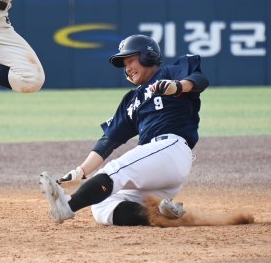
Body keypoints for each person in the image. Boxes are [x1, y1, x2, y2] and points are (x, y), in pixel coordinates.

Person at [39, 34, 210, 226]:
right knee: (103, 205)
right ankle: (158, 215)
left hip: (171, 150)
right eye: (124, 64)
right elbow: (108, 141)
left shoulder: (169, 73)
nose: (127, 68)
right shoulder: (131, 100)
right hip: (154, 168)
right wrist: (80, 172)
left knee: (115, 170)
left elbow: (199, 79)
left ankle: (67, 206)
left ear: (149, 57)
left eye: (130, 60)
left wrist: (178, 87)